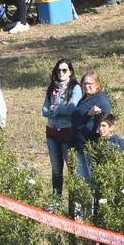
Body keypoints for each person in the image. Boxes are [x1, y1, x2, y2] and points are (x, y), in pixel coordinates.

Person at [42, 59, 82, 197]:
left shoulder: (75, 88)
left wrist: (56, 110)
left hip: (68, 132)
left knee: (72, 170)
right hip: (52, 133)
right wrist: (58, 110)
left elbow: (72, 109)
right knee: (56, 171)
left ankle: (74, 204)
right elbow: (44, 110)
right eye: (59, 70)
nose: (61, 73)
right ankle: (56, 202)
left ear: (70, 72)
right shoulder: (52, 87)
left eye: (64, 70)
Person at [71, 70, 111, 179]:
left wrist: (89, 115)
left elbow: (107, 123)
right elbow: (77, 119)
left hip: (90, 146)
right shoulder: (84, 98)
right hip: (79, 144)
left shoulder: (101, 100)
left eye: (90, 83)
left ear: (97, 84)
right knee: (82, 180)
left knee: (91, 179)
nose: (86, 86)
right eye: (84, 83)